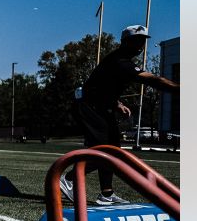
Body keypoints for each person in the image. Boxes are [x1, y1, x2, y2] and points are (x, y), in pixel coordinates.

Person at [62, 25, 179, 205]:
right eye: (136, 41)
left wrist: (117, 104)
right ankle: (69, 179)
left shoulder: (121, 61)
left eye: (142, 41)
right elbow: (153, 80)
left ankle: (106, 195)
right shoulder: (121, 62)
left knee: (114, 150)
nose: (140, 46)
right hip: (90, 107)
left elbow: (102, 86)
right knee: (104, 150)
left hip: (101, 106)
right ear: (125, 42)